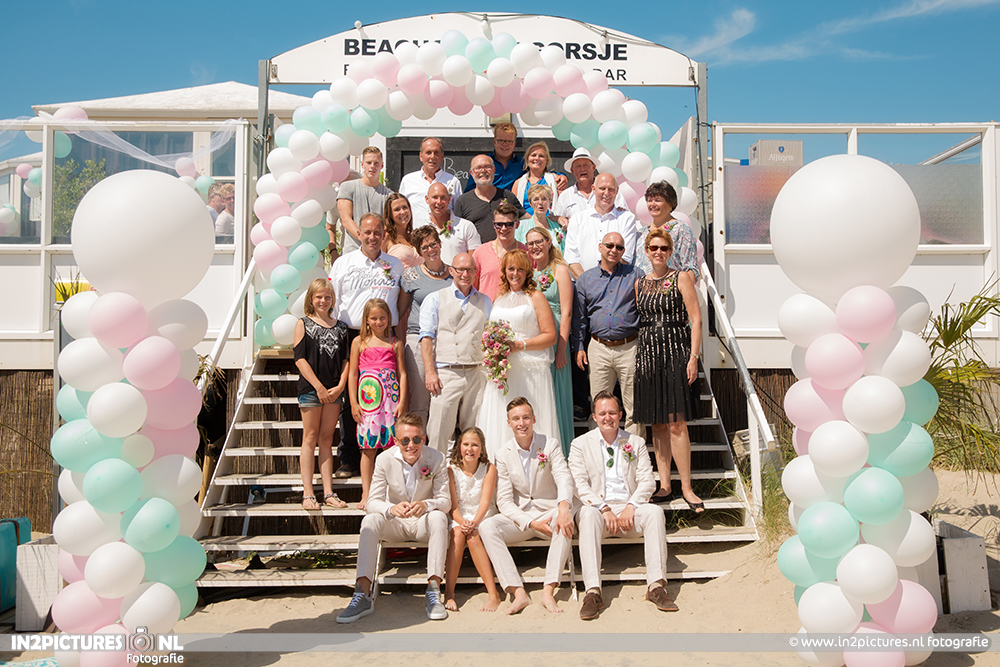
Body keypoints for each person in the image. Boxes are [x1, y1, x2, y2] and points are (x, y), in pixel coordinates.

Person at [568, 391, 676, 619]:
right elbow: (578, 484)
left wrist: (632, 505)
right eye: (602, 413)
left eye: (612, 413)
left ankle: (656, 586)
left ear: (620, 415)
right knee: (587, 514)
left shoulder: (635, 442)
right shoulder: (580, 444)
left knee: (655, 512)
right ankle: (593, 592)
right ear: (594, 417)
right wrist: (603, 507)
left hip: (628, 509)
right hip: (598, 510)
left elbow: (648, 481)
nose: (607, 417)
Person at [336, 413, 450, 623]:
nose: (411, 445)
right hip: (395, 523)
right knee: (370, 520)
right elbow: (373, 501)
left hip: (422, 522)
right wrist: (391, 509)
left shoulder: (437, 458)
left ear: (423, 438)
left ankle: (433, 590)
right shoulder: (383, 459)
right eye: (405, 440)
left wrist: (426, 504)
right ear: (396, 441)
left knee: (439, 517)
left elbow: (445, 501)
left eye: (416, 439)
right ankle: (362, 593)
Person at [329, 213, 410, 479]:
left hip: (385, 337)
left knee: (385, 399)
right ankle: (349, 458)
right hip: (351, 335)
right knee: (351, 398)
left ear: (384, 234)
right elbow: (334, 299)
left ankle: (387, 464)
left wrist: (394, 324)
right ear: (358, 234)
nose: (372, 237)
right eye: (367, 232)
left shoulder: (395, 265)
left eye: (377, 232)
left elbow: (402, 300)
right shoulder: (343, 263)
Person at [479, 397, 576, 614]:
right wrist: (530, 523)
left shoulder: (550, 444)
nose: (521, 423)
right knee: (487, 526)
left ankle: (548, 591)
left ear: (534, 419)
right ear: (509, 423)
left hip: (549, 513)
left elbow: (563, 477)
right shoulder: (502, 454)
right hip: (523, 518)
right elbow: (504, 501)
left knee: (564, 519)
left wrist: (563, 508)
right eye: (516, 419)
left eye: (525, 418)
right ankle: (518, 592)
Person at [635, 229, 704, 511]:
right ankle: (664, 485)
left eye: (663, 248)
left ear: (670, 251)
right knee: (657, 423)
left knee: (676, 422)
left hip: (676, 352)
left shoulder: (681, 277)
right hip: (648, 355)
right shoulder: (640, 283)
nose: (658, 252)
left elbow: (696, 320)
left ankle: (686, 487)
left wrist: (693, 357)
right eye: (654, 248)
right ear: (646, 251)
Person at [476, 250, 559, 460]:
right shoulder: (499, 297)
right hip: (502, 370)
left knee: (528, 418)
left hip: (530, 371)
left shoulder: (536, 297)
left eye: (520, 269)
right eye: (511, 269)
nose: (515, 273)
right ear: (504, 271)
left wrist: (520, 345)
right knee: (500, 418)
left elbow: (550, 336)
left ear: (527, 271)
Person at [572, 232, 644, 437]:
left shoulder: (635, 275)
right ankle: (600, 450)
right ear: (600, 247)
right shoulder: (585, 279)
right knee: (599, 406)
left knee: (634, 407)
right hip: (599, 347)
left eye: (619, 247)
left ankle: (633, 452)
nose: (614, 250)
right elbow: (579, 318)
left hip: (629, 346)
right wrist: (579, 347)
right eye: (609, 245)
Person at [419, 252, 491, 455]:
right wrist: (430, 372)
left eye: (470, 270)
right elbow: (426, 338)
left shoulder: (486, 301)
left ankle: (470, 471)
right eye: (460, 269)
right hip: (446, 372)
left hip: (476, 372)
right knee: (439, 431)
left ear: (476, 272)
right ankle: (435, 472)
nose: (465, 274)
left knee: (474, 432)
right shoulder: (435, 298)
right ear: (451, 271)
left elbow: (489, 336)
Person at [293, 278, 350, 510]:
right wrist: (318, 387)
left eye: (327, 297)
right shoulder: (303, 324)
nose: (323, 301)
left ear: (332, 299)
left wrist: (340, 386)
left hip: (334, 391)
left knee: (327, 439)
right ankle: (308, 493)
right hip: (311, 390)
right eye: (319, 297)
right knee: (310, 437)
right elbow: (300, 359)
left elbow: (346, 360)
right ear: (311, 299)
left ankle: (329, 492)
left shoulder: (341, 327)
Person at [349, 298, 407, 511]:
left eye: (382, 318)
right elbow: (352, 374)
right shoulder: (359, 342)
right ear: (366, 320)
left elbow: (402, 373)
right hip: (369, 403)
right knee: (368, 448)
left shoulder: (395, 343)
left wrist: (402, 401)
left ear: (389, 319)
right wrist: (354, 403)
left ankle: (390, 494)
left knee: (391, 448)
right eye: (374, 318)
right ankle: (366, 494)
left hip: (390, 402)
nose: (378, 322)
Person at [525, 227, 574, 456]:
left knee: (556, 396)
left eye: (539, 242)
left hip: (556, 341)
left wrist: (562, 349)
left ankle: (561, 452)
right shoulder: (529, 274)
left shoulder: (560, 270)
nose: (535, 247)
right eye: (531, 243)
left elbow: (567, 312)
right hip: (537, 339)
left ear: (548, 243)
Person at [444, 427, 502, 612]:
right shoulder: (451, 470)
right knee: (458, 535)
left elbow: (485, 501)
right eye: (466, 444)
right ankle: (449, 593)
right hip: (459, 515)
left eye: (475, 445)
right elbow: (453, 506)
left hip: (482, 515)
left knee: (473, 537)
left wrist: (474, 522)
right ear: (459, 446)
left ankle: (493, 594)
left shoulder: (489, 469)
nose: (470, 449)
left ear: (481, 449)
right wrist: (462, 522)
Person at [400, 226, 453, 424]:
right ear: (419, 251)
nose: (431, 250)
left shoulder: (454, 274)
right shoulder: (410, 276)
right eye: (425, 247)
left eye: (433, 244)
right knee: (420, 401)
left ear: (440, 243)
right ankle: (419, 442)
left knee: (444, 401)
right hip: (417, 340)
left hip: (446, 340)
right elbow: (400, 311)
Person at [564, 174, 640, 278]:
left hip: (614, 284)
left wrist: (605, 283)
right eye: (602, 188)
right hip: (581, 284)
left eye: (611, 189)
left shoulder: (627, 219)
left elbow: (625, 257)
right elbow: (571, 258)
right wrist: (586, 283)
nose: (606, 193)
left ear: (617, 191)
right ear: (593, 189)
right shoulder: (577, 219)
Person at [334, 146, 393, 256]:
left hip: (378, 254)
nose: (372, 166)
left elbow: (388, 225)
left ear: (382, 165)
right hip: (352, 252)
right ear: (362, 164)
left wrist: (375, 245)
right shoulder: (347, 187)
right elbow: (346, 220)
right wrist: (366, 240)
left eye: (376, 163)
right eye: (369, 163)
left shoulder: (389, 195)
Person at [635, 181, 700, 279]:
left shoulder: (681, 229)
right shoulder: (641, 233)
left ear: (670, 204)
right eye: (649, 200)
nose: (652, 204)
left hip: (670, 287)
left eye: (657, 200)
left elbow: (691, 268)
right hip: (643, 287)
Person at [454, 154, 524, 242]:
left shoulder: (507, 196)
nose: (483, 171)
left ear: (494, 170)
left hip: (506, 249)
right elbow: (457, 232)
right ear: (471, 173)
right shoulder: (463, 201)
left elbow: (526, 219)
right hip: (475, 250)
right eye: (478, 168)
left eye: (487, 167)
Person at [552, 148, 628, 225]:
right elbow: (558, 222)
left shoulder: (610, 191)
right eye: (578, 166)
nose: (582, 169)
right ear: (572, 170)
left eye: (586, 165)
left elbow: (624, 215)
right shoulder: (565, 196)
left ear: (593, 167)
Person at [399, 137, 462, 228]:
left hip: (444, 235)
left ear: (442, 156)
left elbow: (458, 215)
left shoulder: (453, 181)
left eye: (436, 152)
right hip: (414, 235)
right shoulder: (408, 180)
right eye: (428, 153)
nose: (432, 156)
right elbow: (400, 211)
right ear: (421, 156)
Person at [472, 201, 527, 302]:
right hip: (487, 308)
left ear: (517, 224)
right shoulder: (480, 252)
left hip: (517, 307)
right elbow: (473, 287)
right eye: (499, 224)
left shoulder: (525, 252)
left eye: (509, 224)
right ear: (494, 225)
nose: (503, 228)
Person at [424, 182, 481, 264]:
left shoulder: (466, 226)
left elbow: (475, 261)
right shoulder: (421, 227)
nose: (439, 202)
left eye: (443, 198)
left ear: (449, 199)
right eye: (435, 197)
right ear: (427, 199)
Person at [462, 122, 525, 192]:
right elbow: (469, 191)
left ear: (514, 144)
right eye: (501, 140)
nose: (505, 144)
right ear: (495, 142)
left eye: (509, 141)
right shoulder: (482, 164)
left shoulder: (523, 165)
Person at [511, 142, 560, 218]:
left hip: (548, 222)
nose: (537, 158)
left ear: (546, 160)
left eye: (541, 156)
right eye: (533, 155)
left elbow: (563, 205)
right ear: (527, 159)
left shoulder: (555, 180)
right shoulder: (518, 183)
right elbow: (513, 208)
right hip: (524, 222)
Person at [515, 184, 566, 253]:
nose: (540, 202)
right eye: (536, 199)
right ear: (530, 203)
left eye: (544, 199)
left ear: (549, 201)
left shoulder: (557, 227)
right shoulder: (520, 227)